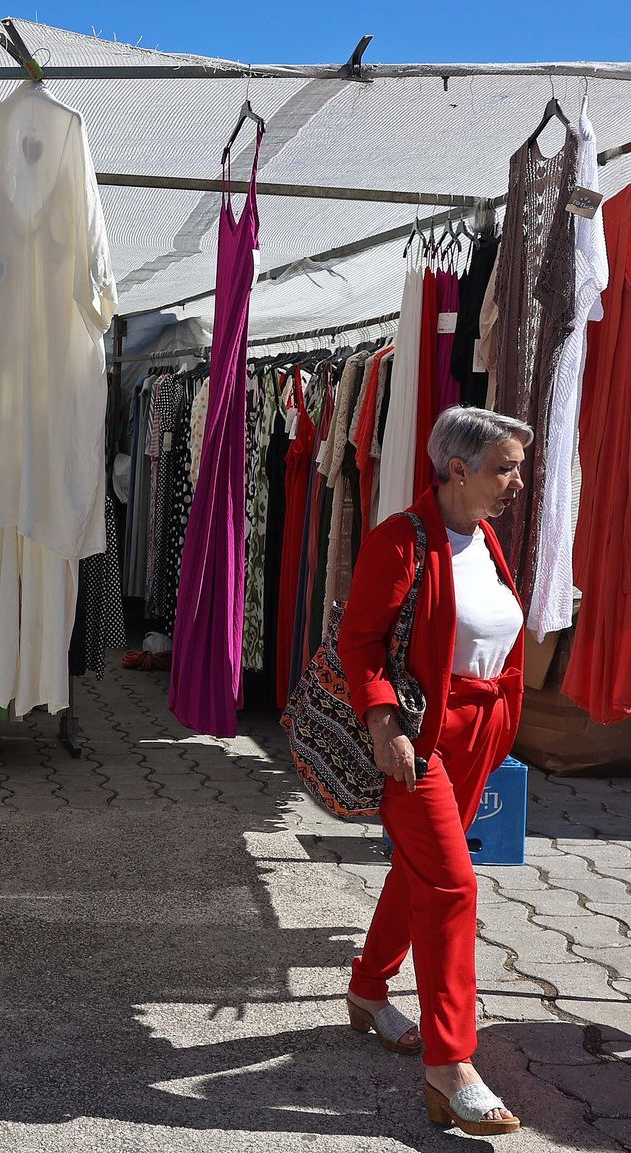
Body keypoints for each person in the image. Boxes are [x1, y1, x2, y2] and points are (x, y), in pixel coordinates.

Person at [338, 405, 530, 1137]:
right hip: (421, 738)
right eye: (505, 468)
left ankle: (366, 989)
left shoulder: (484, 537)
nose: (517, 482)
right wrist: (384, 722)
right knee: (452, 884)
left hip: (481, 731)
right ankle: (451, 1065)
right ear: (456, 469)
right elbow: (360, 641)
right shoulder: (402, 539)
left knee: (419, 868)